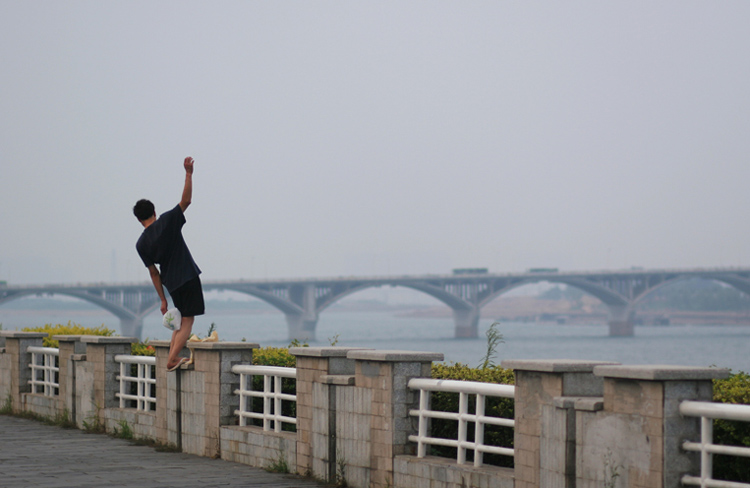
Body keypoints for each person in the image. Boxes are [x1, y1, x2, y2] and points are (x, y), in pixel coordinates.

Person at [133, 156, 204, 371]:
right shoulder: (167, 220)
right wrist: (188, 173)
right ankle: (172, 359)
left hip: (171, 284)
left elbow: (154, 274)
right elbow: (186, 201)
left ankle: (173, 355)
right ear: (154, 212)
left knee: (180, 321)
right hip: (188, 276)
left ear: (139, 220)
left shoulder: (141, 244)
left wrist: (162, 299)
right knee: (188, 321)